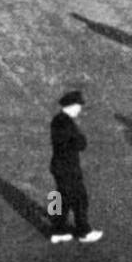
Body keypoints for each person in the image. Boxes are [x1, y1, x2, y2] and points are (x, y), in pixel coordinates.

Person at [49, 91, 103, 245]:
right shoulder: (66, 123)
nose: (79, 109)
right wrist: (80, 139)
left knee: (61, 198)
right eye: (78, 106)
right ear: (71, 106)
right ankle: (83, 231)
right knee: (80, 199)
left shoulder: (58, 120)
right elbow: (80, 143)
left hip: (59, 166)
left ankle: (57, 230)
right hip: (68, 168)